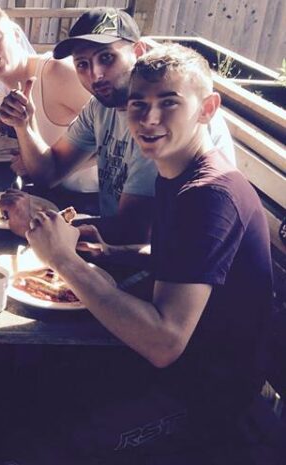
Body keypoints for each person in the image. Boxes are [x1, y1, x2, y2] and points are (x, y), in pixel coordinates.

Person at [16, 43, 272, 464]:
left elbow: (163, 341)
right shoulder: (175, 170)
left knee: (54, 441)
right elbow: (185, 264)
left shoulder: (211, 195)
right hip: (172, 366)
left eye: (168, 103)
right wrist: (113, 251)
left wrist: (63, 260)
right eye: (138, 105)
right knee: (30, 378)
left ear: (207, 108)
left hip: (207, 395)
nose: (149, 120)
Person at [0, 8, 235, 244]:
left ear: (138, 51)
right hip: (115, 246)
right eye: (82, 64)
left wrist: (37, 223)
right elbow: (49, 172)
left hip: (155, 261)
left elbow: (134, 231)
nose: (95, 74)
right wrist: (24, 125)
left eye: (107, 58)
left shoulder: (156, 123)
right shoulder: (100, 106)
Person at [0, 6, 96, 192]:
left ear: (16, 35)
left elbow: (115, 131)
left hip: (90, 199)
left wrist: (57, 168)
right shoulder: (7, 89)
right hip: (52, 194)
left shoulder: (56, 72)